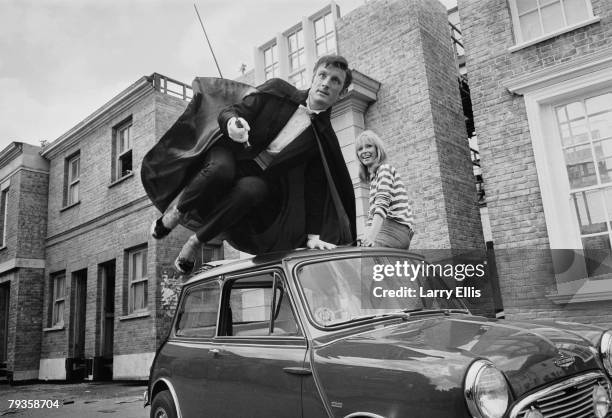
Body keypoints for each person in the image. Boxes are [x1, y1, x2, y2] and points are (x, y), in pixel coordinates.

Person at [142, 55, 356, 274]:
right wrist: (233, 123)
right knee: (220, 170)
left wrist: (312, 236)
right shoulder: (278, 91)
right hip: (230, 153)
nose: (326, 83)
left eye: (335, 81)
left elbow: (315, 189)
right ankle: (174, 215)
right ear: (313, 77)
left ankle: (194, 243)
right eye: (323, 75)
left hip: (258, 176)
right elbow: (230, 111)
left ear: (341, 94)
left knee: (253, 190)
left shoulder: (321, 138)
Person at [355, 130, 414, 249]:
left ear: (378, 149)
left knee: (366, 257)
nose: (364, 151)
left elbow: (381, 206)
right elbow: (371, 218)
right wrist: (364, 239)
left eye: (369, 146)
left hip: (395, 228)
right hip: (386, 229)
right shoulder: (374, 179)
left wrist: (370, 238)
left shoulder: (385, 170)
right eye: (360, 149)